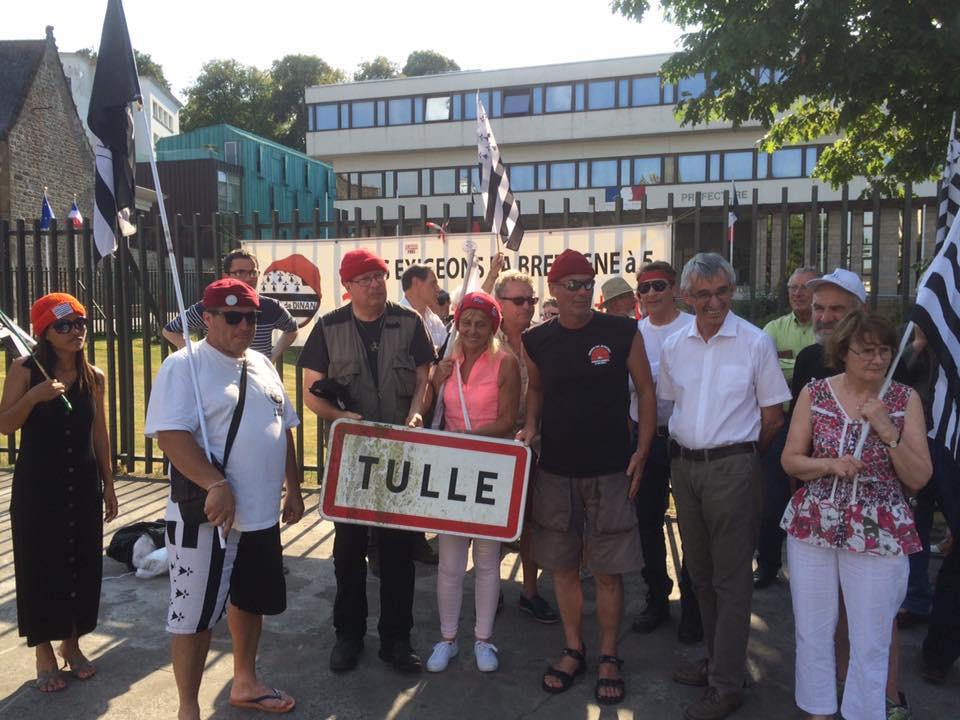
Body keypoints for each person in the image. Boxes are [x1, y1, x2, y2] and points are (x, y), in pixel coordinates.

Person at [145, 278, 303, 718]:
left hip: (260, 515)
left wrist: (292, 486)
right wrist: (215, 483)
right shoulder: (185, 366)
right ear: (208, 318)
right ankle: (188, 708)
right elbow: (170, 436)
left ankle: (245, 681)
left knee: (250, 599)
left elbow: (282, 424)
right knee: (194, 615)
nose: (243, 325)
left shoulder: (263, 363)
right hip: (207, 517)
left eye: (251, 317)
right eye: (232, 317)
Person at [517, 248, 656, 705]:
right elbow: (536, 388)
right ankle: (574, 648)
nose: (581, 291)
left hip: (612, 469)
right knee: (562, 566)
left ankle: (610, 654)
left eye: (586, 282)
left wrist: (643, 448)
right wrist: (532, 426)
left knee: (611, 571)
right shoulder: (537, 340)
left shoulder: (621, 331)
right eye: (571, 284)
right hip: (556, 470)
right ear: (553, 289)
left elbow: (646, 390)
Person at [780, 311, 931, 720]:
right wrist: (830, 465)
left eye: (884, 351)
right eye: (867, 351)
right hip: (814, 524)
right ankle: (819, 711)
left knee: (871, 637)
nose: (878, 359)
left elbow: (918, 478)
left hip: (879, 527)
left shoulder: (903, 400)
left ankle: (865, 713)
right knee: (813, 630)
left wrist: (887, 430)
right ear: (844, 351)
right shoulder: (816, 393)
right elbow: (791, 460)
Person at [660, 253, 790, 720]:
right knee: (701, 575)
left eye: (722, 292)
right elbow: (673, 404)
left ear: (732, 291)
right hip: (686, 469)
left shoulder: (755, 343)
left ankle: (728, 685)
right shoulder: (675, 344)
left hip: (734, 469)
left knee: (732, 581)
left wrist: (741, 457)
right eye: (703, 294)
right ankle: (718, 662)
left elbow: (773, 416)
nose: (714, 302)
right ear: (687, 296)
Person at [299, 248, 434, 674]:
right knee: (349, 550)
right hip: (351, 454)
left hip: (398, 451)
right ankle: (349, 635)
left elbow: (424, 378)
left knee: (398, 552)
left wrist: (416, 412)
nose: (375, 284)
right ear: (348, 287)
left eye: (379, 275)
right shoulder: (328, 328)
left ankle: (397, 639)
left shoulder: (409, 323)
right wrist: (341, 417)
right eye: (365, 279)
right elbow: (310, 393)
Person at [0, 293, 117, 692]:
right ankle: (44, 650)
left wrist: (109, 483)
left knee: (82, 562)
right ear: (45, 333)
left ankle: (72, 642)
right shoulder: (24, 370)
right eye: (63, 325)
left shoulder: (94, 376)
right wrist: (35, 397)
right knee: (41, 564)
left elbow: (98, 432)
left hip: (82, 482)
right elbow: (4, 425)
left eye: (80, 323)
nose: (75, 332)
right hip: (38, 485)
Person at [425, 292, 521, 673]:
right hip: (451, 470)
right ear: (458, 324)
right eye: (466, 322)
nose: (472, 330)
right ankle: (447, 639)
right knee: (449, 564)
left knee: (485, 560)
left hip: (489, 468)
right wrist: (435, 380)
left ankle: (483, 640)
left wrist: (467, 441)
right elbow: (432, 410)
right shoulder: (448, 363)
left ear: (493, 326)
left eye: (481, 323)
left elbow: (508, 421)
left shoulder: (506, 362)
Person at [628, 261, 702, 644]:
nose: (652, 294)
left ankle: (693, 603)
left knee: (691, 524)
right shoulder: (633, 332)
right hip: (645, 438)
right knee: (646, 521)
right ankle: (657, 595)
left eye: (659, 286)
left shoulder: (693, 328)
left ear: (674, 289)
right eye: (645, 289)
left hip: (686, 440)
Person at [493, 268, 559, 624]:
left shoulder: (543, 341)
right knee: (491, 520)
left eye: (531, 300)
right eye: (518, 301)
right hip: (494, 444)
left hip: (534, 444)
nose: (527, 308)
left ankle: (530, 592)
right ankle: (491, 589)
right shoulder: (483, 338)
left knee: (533, 520)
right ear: (499, 304)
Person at [755, 266, 820, 588]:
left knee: (817, 500)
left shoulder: (827, 330)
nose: (797, 293)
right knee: (771, 501)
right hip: (782, 424)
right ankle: (767, 565)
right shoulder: (773, 329)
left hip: (823, 430)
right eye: (793, 287)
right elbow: (761, 376)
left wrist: (788, 369)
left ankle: (812, 571)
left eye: (805, 287)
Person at [162, 249, 299, 363]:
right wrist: (194, 354)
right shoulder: (211, 307)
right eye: (240, 272)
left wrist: (271, 358)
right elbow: (170, 330)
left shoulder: (270, 307)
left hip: (256, 376)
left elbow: (292, 329)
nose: (248, 278)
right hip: (216, 376)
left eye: (252, 272)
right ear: (226, 276)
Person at [400, 263, 448, 350]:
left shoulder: (435, 321)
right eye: (433, 283)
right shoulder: (394, 320)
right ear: (416, 283)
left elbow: (447, 355)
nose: (438, 289)